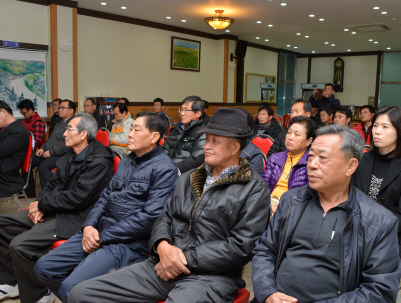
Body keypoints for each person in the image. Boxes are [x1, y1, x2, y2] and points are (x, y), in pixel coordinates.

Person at [67, 108, 271, 303]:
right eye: (206, 139)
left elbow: (240, 247)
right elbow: (164, 217)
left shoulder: (254, 189)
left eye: (215, 141)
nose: (206, 146)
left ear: (235, 147)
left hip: (210, 276)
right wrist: (162, 246)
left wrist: (180, 258)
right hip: (161, 261)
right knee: (81, 294)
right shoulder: (190, 177)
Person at [35, 112, 179, 303]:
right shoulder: (128, 160)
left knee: (72, 287)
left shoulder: (165, 169)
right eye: (131, 128)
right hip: (100, 230)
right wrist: (89, 226)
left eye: (136, 130)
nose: (130, 134)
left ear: (154, 137)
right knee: (44, 267)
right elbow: (105, 196)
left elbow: (149, 218)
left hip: (128, 242)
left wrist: (103, 237)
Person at [252, 125, 401, 303]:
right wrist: (268, 293)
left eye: (322, 158)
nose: (312, 165)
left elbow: (380, 291)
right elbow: (265, 250)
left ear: (351, 166)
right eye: (311, 156)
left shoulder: (378, 221)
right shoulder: (292, 201)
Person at [0, 113, 114, 303]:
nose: (64, 134)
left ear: (83, 134)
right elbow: (52, 184)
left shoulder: (100, 161)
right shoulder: (73, 153)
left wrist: (43, 204)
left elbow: (78, 198)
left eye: (69, 129)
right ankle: (10, 282)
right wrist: (39, 205)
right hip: (56, 207)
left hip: (75, 217)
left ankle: (39, 293)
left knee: (20, 245)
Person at [352, 106, 401, 266]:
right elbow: (352, 198)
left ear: (400, 131)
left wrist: (374, 233)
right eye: (375, 125)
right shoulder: (363, 160)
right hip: (359, 229)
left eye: (385, 127)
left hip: (394, 233)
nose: (377, 131)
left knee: (366, 262)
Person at [262, 116, 316, 216]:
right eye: (289, 132)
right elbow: (263, 185)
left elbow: (308, 197)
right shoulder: (275, 158)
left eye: (297, 134)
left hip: (292, 209)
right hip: (268, 204)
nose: (290, 137)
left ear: (309, 141)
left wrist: (282, 207)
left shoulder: (312, 163)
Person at [24, 99, 76, 197]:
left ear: (71, 110)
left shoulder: (74, 124)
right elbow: (51, 140)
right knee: (28, 162)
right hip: (49, 151)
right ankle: (29, 190)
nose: (59, 109)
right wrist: (42, 148)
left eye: (63, 108)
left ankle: (47, 195)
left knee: (43, 167)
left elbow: (69, 145)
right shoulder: (59, 124)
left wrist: (51, 152)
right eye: (59, 107)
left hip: (63, 154)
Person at [0, 100, 28, 200]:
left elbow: (0, 150)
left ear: (3, 112)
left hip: (3, 175)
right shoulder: (5, 127)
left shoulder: (19, 131)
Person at [162, 95, 206, 173]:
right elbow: (163, 153)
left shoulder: (202, 133)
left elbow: (197, 160)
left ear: (198, 113)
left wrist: (173, 169)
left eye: (186, 110)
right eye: (181, 110)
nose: (182, 113)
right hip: (167, 172)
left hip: (187, 177)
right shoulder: (174, 132)